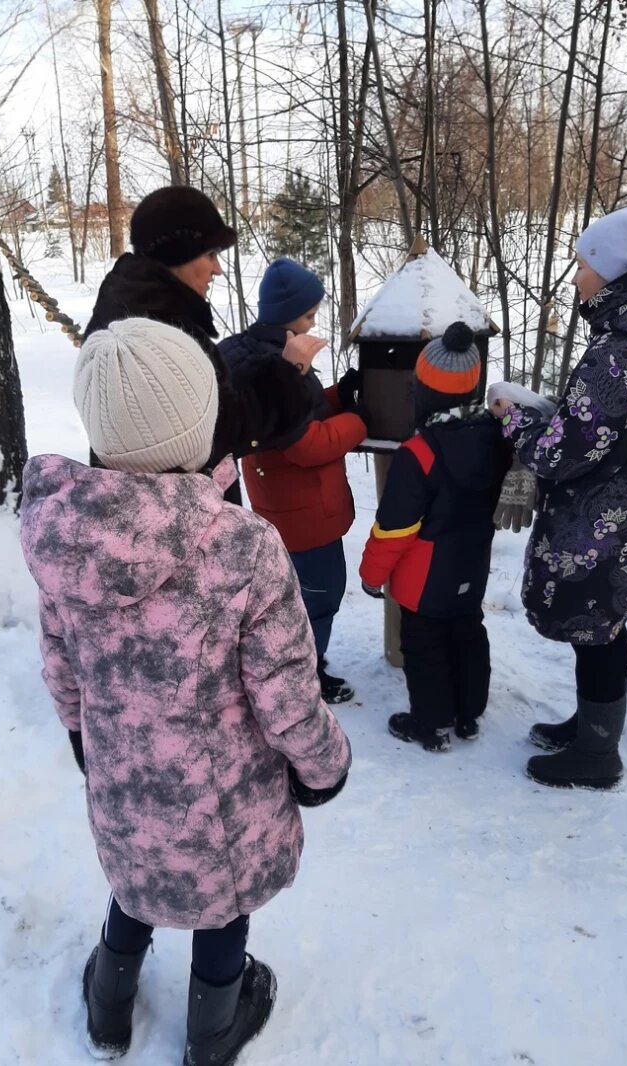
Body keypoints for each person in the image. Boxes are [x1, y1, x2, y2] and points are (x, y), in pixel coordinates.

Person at [20, 317, 351, 1064]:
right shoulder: (240, 546)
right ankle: (212, 1031)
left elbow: (60, 661)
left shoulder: (66, 539)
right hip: (223, 799)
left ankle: (108, 1009)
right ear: (200, 425)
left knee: (138, 879)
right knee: (220, 903)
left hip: (122, 779)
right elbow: (286, 692)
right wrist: (324, 766)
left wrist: (81, 736)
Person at [488, 203, 627, 790]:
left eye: (584, 265)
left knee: (598, 633)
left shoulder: (620, 353)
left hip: (603, 526)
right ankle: (592, 727)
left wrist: (513, 417)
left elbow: (560, 453)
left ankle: (597, 756)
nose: (575, 279)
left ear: (615, 270)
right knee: (605, 627)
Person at [84, 187, 321, 502]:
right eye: (210, 255)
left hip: (142, 508)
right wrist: (289, 372)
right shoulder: (158, 331)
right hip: (183, 514)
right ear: (178, 255)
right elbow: (217, 432)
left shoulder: (129, 305)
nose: (217, 269)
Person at [220, 258, 369, 704]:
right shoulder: (276, 366)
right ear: (286, 317)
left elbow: (301, 412)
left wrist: (339, 396)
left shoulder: (268, 356)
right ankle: (304, 680)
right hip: (304, 514)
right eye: (308, 315)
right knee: (319, 598)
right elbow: (306, 443)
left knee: (297, 598)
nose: (313, 323)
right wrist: (360, 421)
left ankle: (294, 666)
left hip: (286, 505)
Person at [359, 322, 511, 751]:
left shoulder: (419, 453)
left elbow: (393, 529)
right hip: (471, 566)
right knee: (467, 633)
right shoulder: (496, 436)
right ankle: (468, 714)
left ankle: (431, 723)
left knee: (424, 646)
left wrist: (372, 575)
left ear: (423, 389)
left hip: (423, 579)